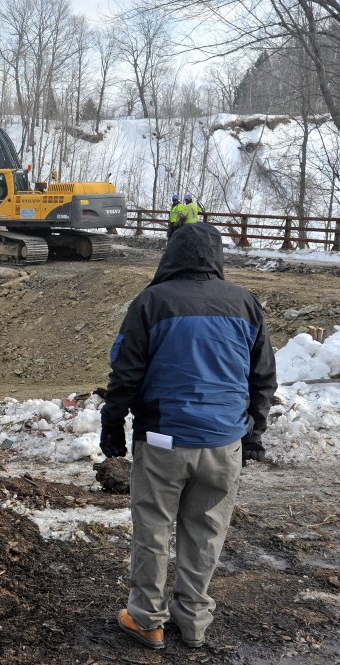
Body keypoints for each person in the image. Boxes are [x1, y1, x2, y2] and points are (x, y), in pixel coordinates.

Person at [98, 223, 276, 650]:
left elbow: (126, 372)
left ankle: (146, 621)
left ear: (171, 255)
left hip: (163, 440)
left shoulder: (151, 302)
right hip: (223, 441)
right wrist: (254, 433)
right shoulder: (245, 303)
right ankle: (194, 620)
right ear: (216, 256)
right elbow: (263, 377)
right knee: (206, 531)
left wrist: (112, 423)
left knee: (154, 529)